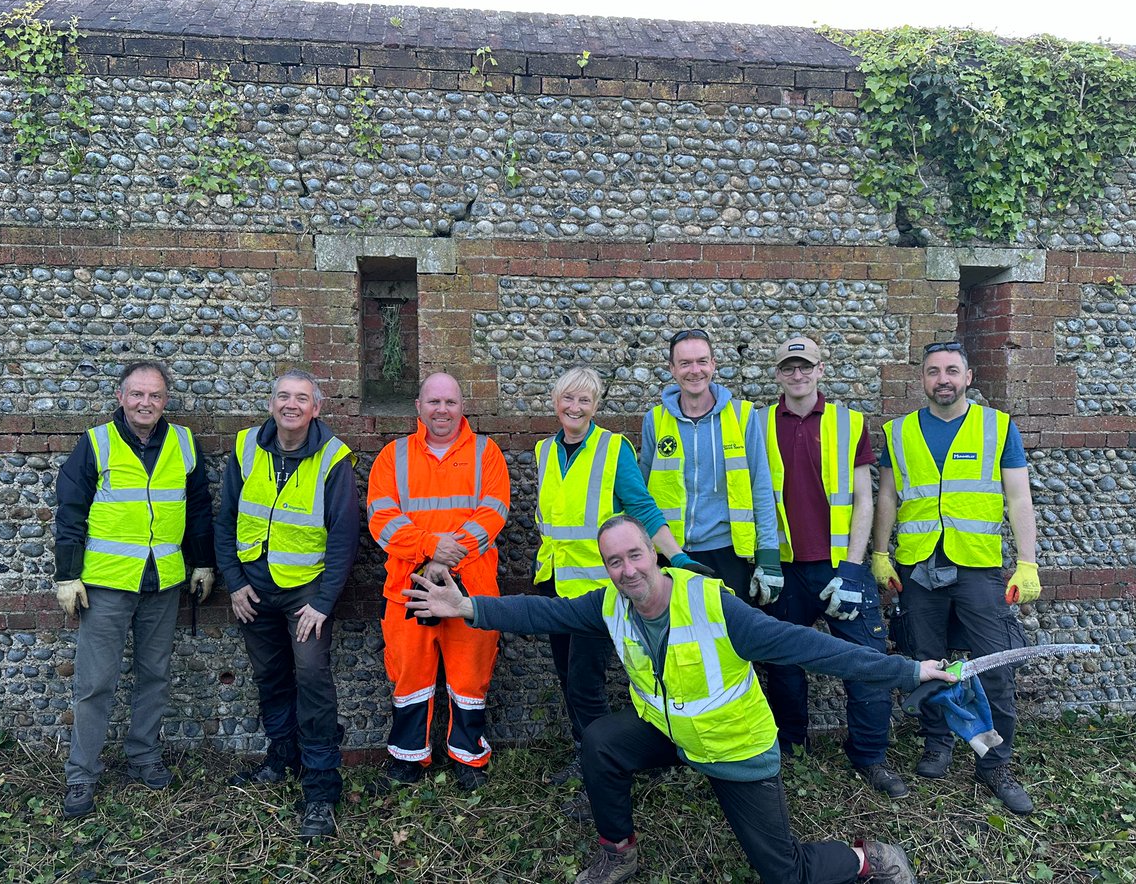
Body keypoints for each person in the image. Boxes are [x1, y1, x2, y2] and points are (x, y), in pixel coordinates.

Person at [405, 515, 955, 884]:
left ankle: (868, 860)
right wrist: (468, 607)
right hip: (669, 731)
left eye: (636, 556)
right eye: (615, 562)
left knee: (783, 871)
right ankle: (618, 850)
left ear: (655, 554)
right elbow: (541, 612)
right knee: (601, 741)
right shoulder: (610, 605)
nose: (628, 571)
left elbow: (811, 648)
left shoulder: (715, 607)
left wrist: (908, 670)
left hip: (733, 748)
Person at [872, 341, 1039, 816]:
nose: (942, 379)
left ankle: (994, 764)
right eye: (932, 372)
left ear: (968, 377)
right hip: (918, 569)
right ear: (921, 379)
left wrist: (1027, 562)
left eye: (951, 371)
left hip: (978, 567)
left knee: (997, 666)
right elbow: (888, 498)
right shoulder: (899, 432)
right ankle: (937, 742)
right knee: (927, 661)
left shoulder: (997, 427)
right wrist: (881, 554)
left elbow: (1019, 498)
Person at [53, 360, 215, 819]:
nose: (147, 403)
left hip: (163, 580)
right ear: (121, 397)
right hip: (106, 585)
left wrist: (202, 562)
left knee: (155, 675)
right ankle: (82, 774)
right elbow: (70, 511)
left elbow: (199, 506)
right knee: (95, 683)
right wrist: (67, 574)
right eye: (138, 394)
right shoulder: (97, 443)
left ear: (166, 400)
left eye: (156, 395)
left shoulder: (183, 443)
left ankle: (144, 757)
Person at [214, 369, 360, 839]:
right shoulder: (247, 448)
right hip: (253, 590)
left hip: (305, 596)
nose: (290, 405)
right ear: (272, 403)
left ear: (316, 408)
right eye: (283, 396)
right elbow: (226, 522)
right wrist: (234, 583)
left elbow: (343, 539)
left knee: (313, 683)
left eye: (301, 398)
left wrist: (321, 603)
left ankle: (320, 789)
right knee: (270, 678)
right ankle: (282, 759)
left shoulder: (334, 458)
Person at [757, 336, 906, 798]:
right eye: (788, 368)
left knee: (865, 662)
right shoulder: (756, 424)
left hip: (840, 566)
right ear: (777, 374)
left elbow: (865, 499)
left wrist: (852, 568)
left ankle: (869, 756)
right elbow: (753, 495)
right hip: (783, 567)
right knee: (781, 664)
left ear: (821, 370)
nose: (797, 375)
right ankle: (791, 749)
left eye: (805, 367)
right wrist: (764, 560)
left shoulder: (849, 422)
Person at [535, 366, 695, 784]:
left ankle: (601, 763)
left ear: (596, 406)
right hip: (557, 585)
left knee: (585, 683)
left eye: (584, 400)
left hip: (598, 589)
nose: (575, 407)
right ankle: (588, 751)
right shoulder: (544, 452)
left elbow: (641, 507)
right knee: (567, 676)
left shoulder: (612, 448)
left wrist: (675, 557)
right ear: (555, 403)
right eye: (568, 398)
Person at [366, 373, 511, 792]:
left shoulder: (488, 454)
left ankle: (468, 758)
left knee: (470, 676)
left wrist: (445, 557)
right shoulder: (393, 457)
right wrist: (430, 549)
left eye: (449, 402)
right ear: (418, 407)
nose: (441, 410)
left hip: (473, 590)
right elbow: (381, 519)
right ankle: (408, 759)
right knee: (409, 674)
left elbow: (493, 515)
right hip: (408, 588)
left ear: (461, 406)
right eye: (433, 402)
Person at [639, 328, 783, 605]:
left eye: (702, 361)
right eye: (685, 363)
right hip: (670, 552)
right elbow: (642, 496)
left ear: (714, 364)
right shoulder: (654, 420)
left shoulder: (742, 416)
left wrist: (769, 556)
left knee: (727, 642)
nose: (695, 370)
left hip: (728, 555)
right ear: (671, 369)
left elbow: (761, 486)